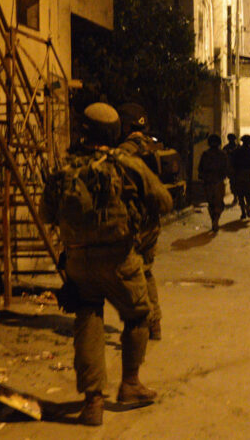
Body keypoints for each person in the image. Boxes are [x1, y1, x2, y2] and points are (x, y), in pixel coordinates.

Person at [42, 102, 172, 426]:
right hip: (118, 259)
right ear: (114, 132)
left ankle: (92, 403)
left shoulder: (64, 169)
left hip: (77, 261)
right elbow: (163, 201)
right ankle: (130, 384)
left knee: (88, 317)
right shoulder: (124, 164)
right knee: (139, 315)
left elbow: (46, 215)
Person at [116, 104, 164, 341]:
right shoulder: (152, 147)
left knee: (132, 274)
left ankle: (141, 324)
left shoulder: (123, 151)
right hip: (152, 220)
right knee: (146, 271)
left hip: (134, 221)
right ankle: (155, 323)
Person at [198, 134, 229, 231]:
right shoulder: (223, 154)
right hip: (218, 182)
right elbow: (227, 168)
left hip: (208, 182)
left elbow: (200, 168)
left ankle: (214, 220)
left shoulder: (205, 154)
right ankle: (216, 220)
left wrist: (203, 177)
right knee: (219, 203)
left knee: (211, 203)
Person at [230, 134, 250, 220]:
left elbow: (232, 163)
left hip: (238, 176)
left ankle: (243, 212)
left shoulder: (236, 151)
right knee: (249, 195)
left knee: (240, 195)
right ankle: (247, 206)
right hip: (247, 176)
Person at [223, 134, 239, 207]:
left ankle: (237, 197)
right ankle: (236, 197)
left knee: (236, 184)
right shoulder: (227, 148)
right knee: (233, 184)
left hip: (236, 168)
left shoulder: (238, 147)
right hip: (231, 169)